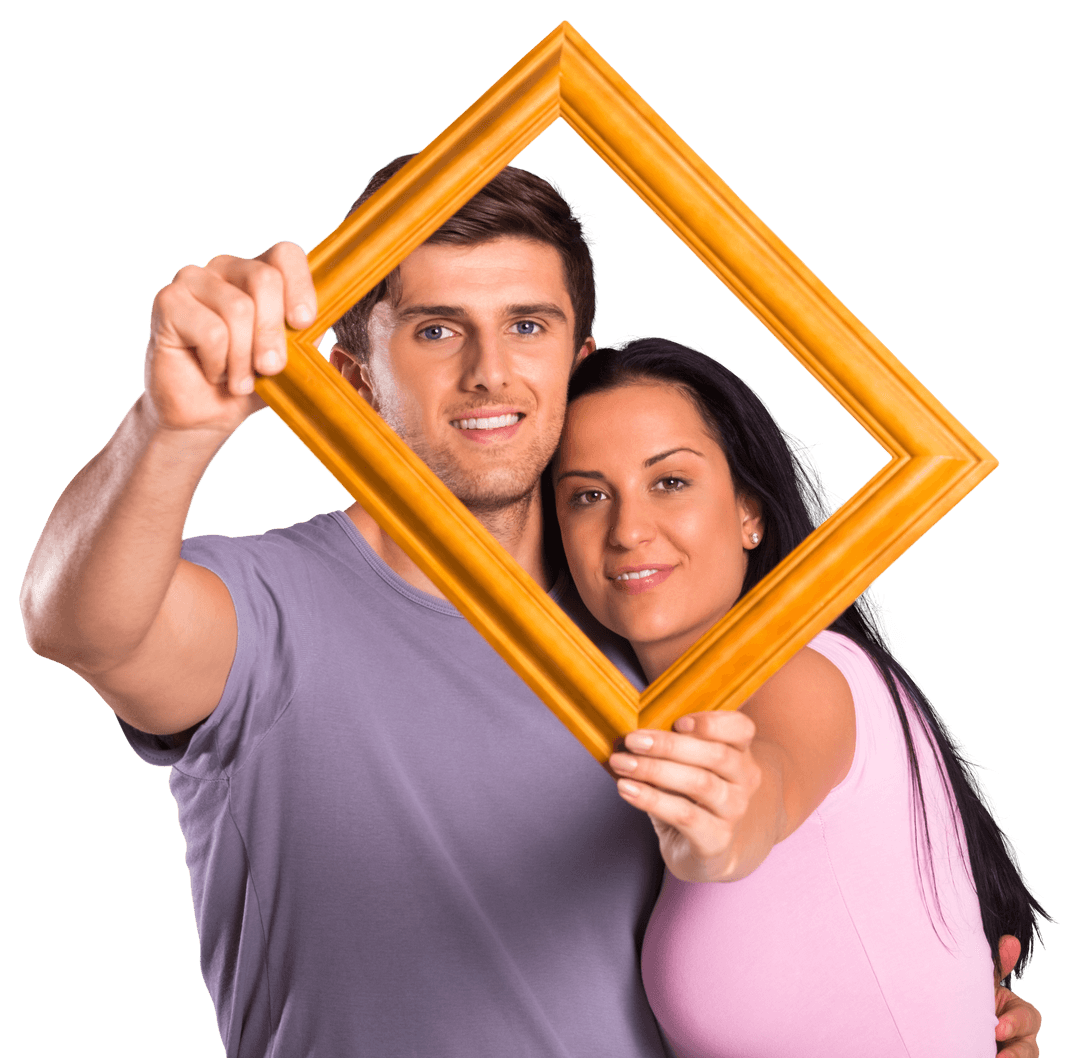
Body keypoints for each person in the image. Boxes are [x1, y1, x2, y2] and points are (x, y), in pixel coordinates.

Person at [19, 156, 1042, 1057]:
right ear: (354, 375)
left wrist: (933, 1008)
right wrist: (167, 427)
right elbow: (79, 621)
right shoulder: (269, 608)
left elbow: (785, 854)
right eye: (434, 329)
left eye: (527, 324)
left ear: (576, 357)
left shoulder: (648, 609)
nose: (490, 371)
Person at [551, 337, 1053, 1057]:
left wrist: (721, 829)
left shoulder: (802, 671)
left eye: (670, 482)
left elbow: (767, 785)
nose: (628, 530)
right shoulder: (638, 711)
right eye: (588, 496)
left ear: (750, 511)